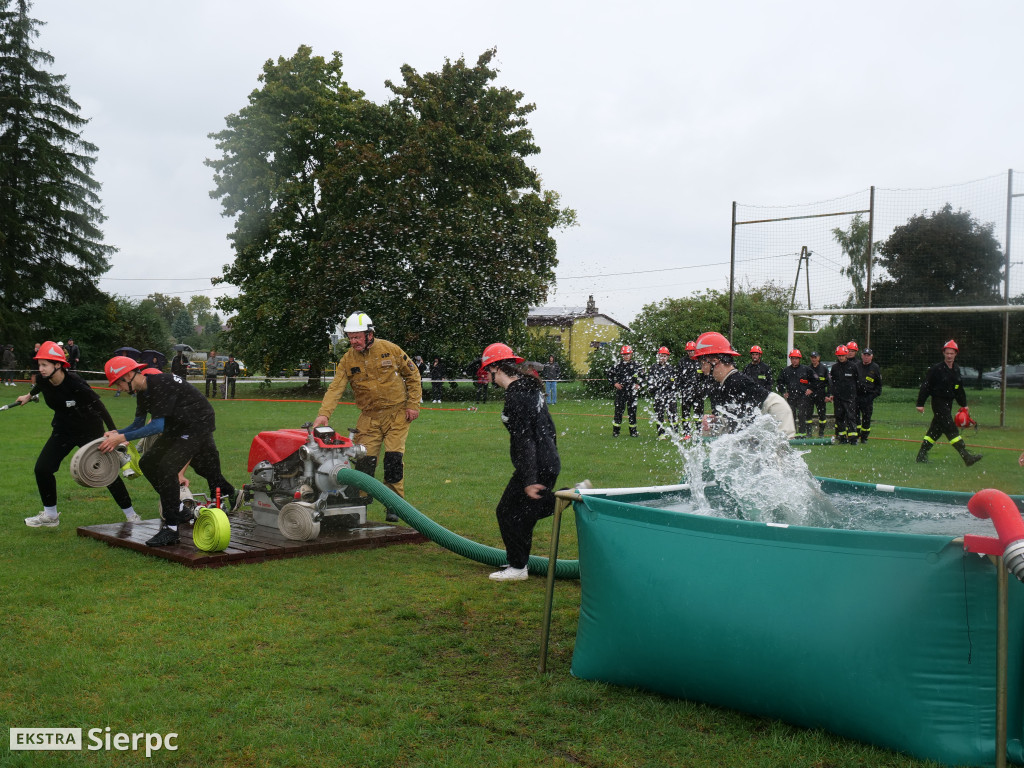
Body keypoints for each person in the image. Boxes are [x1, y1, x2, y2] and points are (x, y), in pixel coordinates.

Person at [98, 356, 237, 546]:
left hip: (197, 426)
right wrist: (118, 432)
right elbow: (138, 424)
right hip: (178, 426)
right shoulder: (143, 391)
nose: (118, 389)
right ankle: (178, 508)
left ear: (129, 375)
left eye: (118, 383)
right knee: (147, 463)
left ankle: (171, 529)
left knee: (166, 468)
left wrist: (121, 439)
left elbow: (156, 426)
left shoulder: (160, 384)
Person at [17, 341, 140, 529]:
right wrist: (28, 395)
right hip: (63, 430)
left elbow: (100, 407)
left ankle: (131, 515)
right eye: (39, 364)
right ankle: (51, 516)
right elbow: (39, 387)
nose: (40, 369)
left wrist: (114, 434)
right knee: (42, 469)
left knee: (107, 473)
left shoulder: (75, 383)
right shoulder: (42, 379)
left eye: (44, 365)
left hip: (89, 431)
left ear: (57, 365)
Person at [314, 312, 421, 519]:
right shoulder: (347, 360)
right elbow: (335, 388)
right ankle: (359, 503)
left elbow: (413, 374)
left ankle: (394, 505)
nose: (353, 341)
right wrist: (324, 415)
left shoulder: (390, 350)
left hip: (397, 414)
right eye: (350, 337)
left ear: (369, 334)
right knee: (363, 460)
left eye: (357, 337)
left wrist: (413, 404)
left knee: (393, 459)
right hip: (369, 417)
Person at [477, 342, 560, 582]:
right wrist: (551, 457)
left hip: (537, 463)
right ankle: (518, 562)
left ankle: (517, 567)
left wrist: (530, 478)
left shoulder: (517, 395)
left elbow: (525, 440)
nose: (488, 377)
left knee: (508, 512)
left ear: (495, 369)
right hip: (546, 460)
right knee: (523, 513)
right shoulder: (528, 387)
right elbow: (548, 428)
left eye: (487, 372)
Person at [691, 332, 794, 437]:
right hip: (771, 412)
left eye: (703, 363)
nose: (702, 369)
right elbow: (737, 418)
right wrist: (716, 421)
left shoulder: (734, 382)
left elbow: (742, 419)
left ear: (715, 361)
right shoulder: (728, 382)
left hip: (776, 410)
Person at [915, 340, 982, 466]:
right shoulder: (936, 369)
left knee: (936, 430)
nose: (949, 356)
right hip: (938, 402)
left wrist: (964, 404)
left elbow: (958, 388)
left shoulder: (956, 369)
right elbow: (925, 386)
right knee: (950, 428)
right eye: (947, 353)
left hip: (948, 403)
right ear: (944, 353)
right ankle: (966, 456)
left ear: (956, 354)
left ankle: (921, 455)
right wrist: (920, 404)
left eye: (952, 353)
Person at [776, 349, 814, 438]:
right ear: (790, 359)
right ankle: (792, 434)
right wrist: (783, 392)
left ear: (799, 359)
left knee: (801, 415)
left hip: (802, 397)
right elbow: (779, 382)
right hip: (791, 397)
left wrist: (811, 389)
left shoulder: (806, 369)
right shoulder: (786, 370)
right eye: (793, 358)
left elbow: (815, 380)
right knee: (791, 416)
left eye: (796, 358)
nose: (794, 360)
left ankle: (802, 435)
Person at [828, 345, 859, 445]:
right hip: (838, 397)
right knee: (839, 417)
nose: (841, 357)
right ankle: (842, 438)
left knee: (851, 417)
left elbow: (858, 381)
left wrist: (855, 394)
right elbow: (832, 382)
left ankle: (853, 438)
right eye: (839, 355)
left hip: (849, 397)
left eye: (842, 355)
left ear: (846, 355)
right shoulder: (834, 368)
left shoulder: (853, 366)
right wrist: (832, 393)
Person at [608, 344, 642, 437]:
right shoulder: (617, 365)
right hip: (621, 392)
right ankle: (616, 431)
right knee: (618, 411)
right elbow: (609, 375)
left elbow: (643, 377)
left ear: (631, 354)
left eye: (628, 354)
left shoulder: (636, 365)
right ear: (622, 355)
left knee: (632, 412)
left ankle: (633, 431)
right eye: (624, 354)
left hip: (632, 392)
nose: (626, 356)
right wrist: (615, 383)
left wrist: (639, 385)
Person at [648, 346, 678, 437]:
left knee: (673, 414)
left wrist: (670, 384)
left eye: (665, 356)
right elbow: (650, 382)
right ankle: (661, 433)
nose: (663, 358)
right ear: (658, 356)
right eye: (661, 356)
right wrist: (656, 387)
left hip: (670, 395)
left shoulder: (671, 368)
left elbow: (675, 382)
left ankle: (675, 433)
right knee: (659, 414)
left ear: (668, 357)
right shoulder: (654, 368)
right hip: (659, 394)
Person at [677, 340, 705, 437]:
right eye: (688, 351)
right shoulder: (682, 362)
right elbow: (678, 377)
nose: (690, 353)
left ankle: (699, 432)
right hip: (686, 391)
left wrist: (704, 389)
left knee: (699, 414)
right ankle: (686, 433)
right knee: (685, 414)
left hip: (698, 392)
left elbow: (705, 377)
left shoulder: (701, 361)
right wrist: (681, 389)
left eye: (692, 351)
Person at [855, 347, 882, 443]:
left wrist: (872, 396)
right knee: (855, 417)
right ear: (861, 356)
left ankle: (864, 437)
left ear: (871, 357)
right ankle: (856, 435)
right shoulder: (857, 366)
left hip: (868, 397)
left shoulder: (875, 367)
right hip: (857, 396)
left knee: (866, 418)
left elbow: (879, 386)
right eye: (864, 355)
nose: (866, 357)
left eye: (868, 355)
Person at [806, 351, 830, 438]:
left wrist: (828, 395)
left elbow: (829, 383)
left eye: (815, 357)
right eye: (812, 357)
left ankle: (821, 432)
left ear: (819, 358)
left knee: (822, 414)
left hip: (821, 395)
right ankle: (808, 433)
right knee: (808, 414)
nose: (813, 359)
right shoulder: (808, 369)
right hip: (810, 396)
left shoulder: (824, 369)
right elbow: (805, 382)